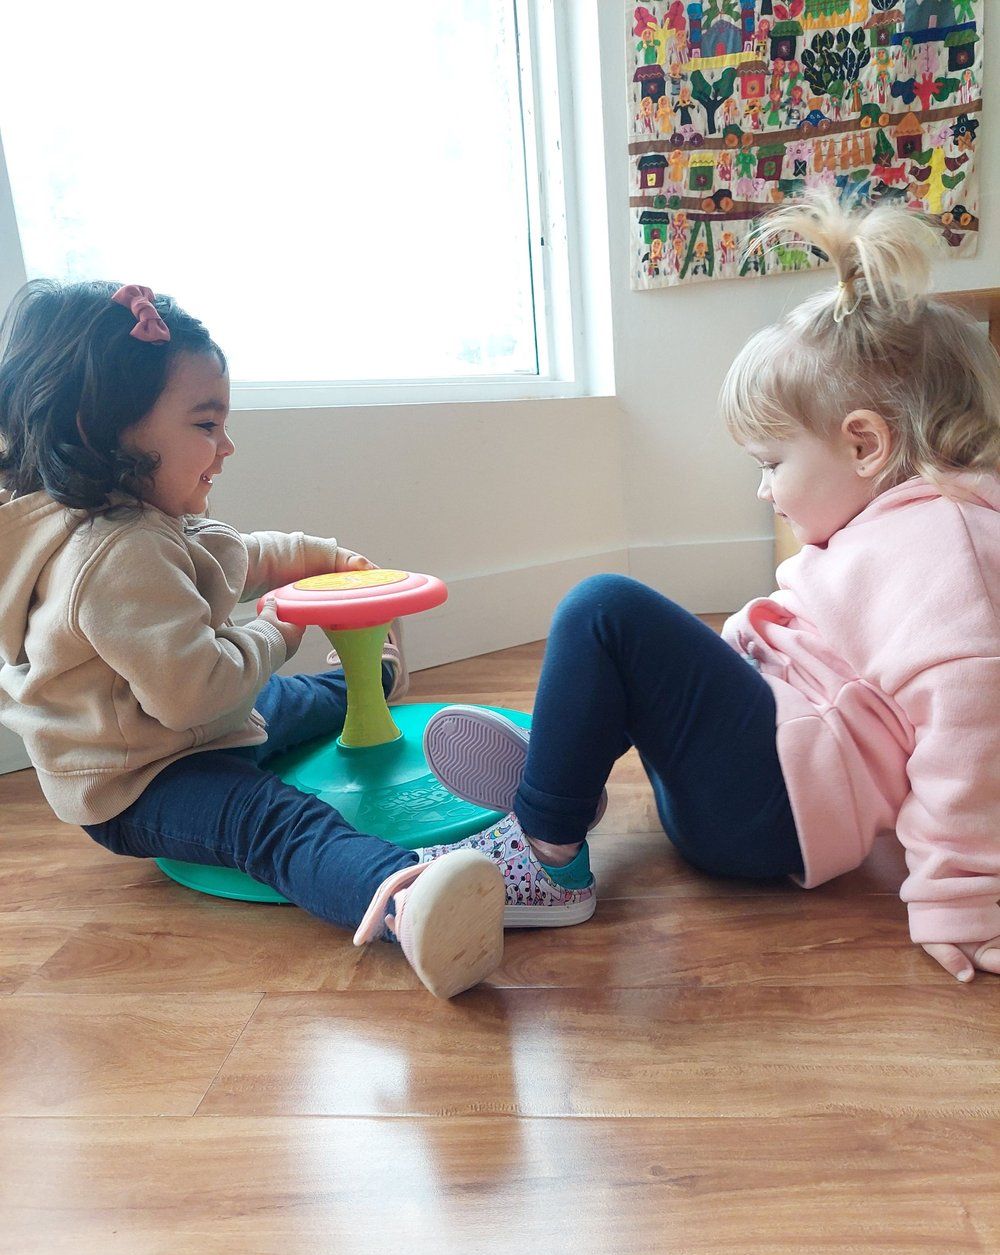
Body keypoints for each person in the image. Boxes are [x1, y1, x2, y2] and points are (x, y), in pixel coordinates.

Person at [422, 194, 1000, 984]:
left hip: (770, 812)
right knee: (633, 648)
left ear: (864, 444)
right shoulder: (899, 529)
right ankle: (565, 770)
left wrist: (964, 896)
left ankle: (543, 849)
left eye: (772, 463)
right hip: (759, 801)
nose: (766, 491)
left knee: (604, 611)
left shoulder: (941, 538)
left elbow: (974, 723)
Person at [0, 281, 591, 1000]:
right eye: (206, 424)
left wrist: (322, 559)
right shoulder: (116, 553)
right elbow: (198, 694)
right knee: (273, 822)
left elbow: (234, 554)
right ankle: (407, 903)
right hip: (141, 777)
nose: (226, 446)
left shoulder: (142, 519)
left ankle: (363, 684)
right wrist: (279, 625)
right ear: (104, 428)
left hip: (186, 724)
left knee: (293, 701)